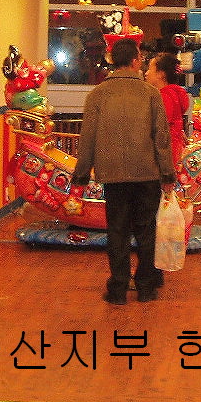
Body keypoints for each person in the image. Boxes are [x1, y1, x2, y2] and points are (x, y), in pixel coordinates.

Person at [71, 39, 176, 305]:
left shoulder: (97, 95)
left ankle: (118, 290)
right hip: (147, 173)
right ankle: (146, 287)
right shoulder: (150, 94)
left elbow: (87, 138)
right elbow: (161, 138)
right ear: (135, 60)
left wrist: (81, 175)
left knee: (117, 232)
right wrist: (167, 174)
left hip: (113, 174)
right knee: (146, 231)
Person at [144, 52, 191, 166]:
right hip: (173, 151)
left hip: (163, 156)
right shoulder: (174, 94)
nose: (146, 73)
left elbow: (159, 128)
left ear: (161, 74)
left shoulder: (164, 97)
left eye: (150, 69)